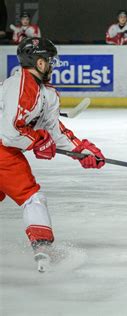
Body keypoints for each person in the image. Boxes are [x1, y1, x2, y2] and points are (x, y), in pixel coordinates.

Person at [0, 37, 106, 271]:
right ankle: (42, 247)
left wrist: (81, 149)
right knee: (31, 196)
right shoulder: (17, 86)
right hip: (2, 150)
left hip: (5, 150)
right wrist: (39, 141)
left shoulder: (45, 92)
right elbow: (9, 133)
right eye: (49, 60)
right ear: (39, 63)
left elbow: (53, 131)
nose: (52, 65)